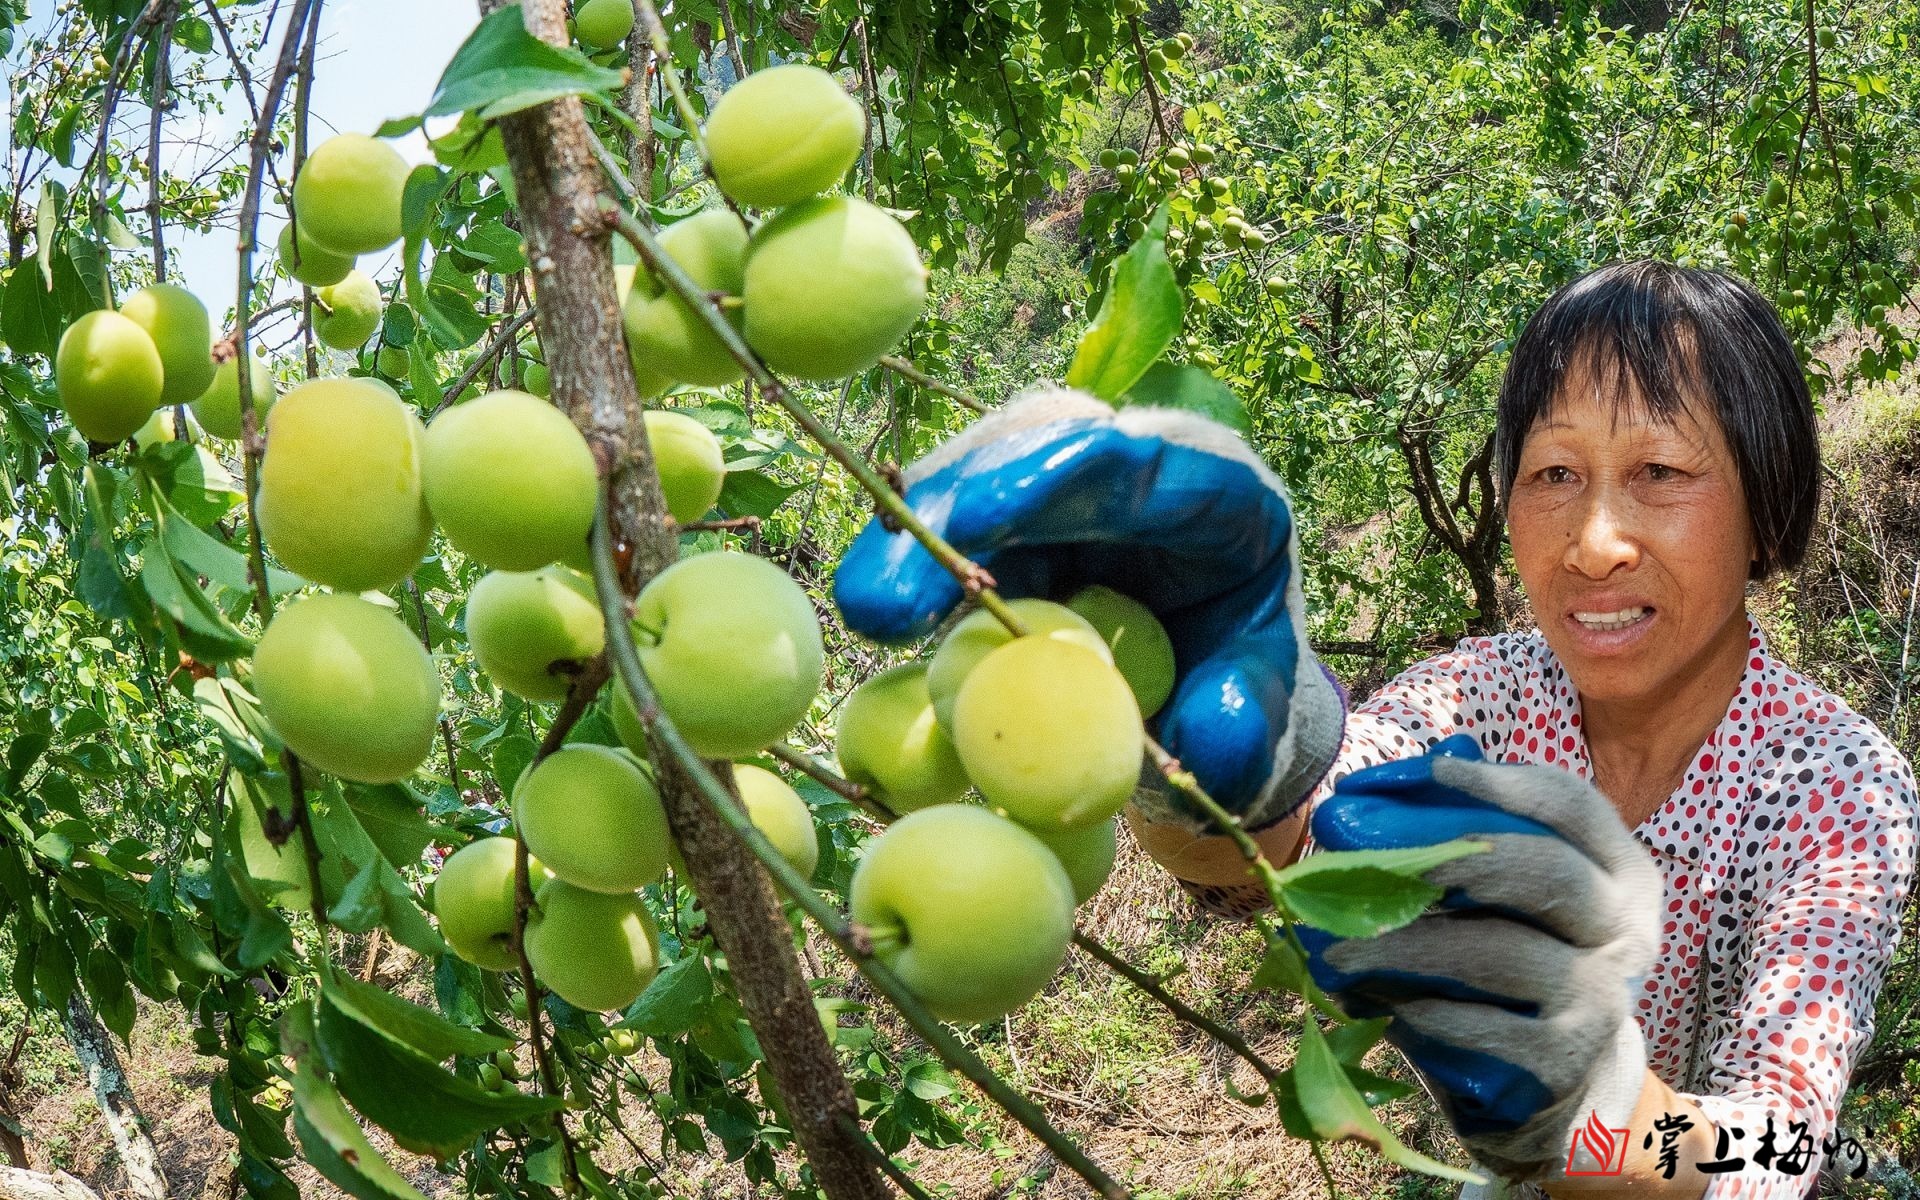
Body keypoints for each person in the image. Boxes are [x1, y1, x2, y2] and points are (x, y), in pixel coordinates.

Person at [832, 261, 1918, 1199]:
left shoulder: (1833, 787)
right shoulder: (1493, 693)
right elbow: (1291, 833)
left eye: (1662, 473)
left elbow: (1782, 1140)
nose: (1594, 542)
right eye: (1553, 473)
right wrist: (1209, 741)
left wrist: (1602, 1109)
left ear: (1766, 504)